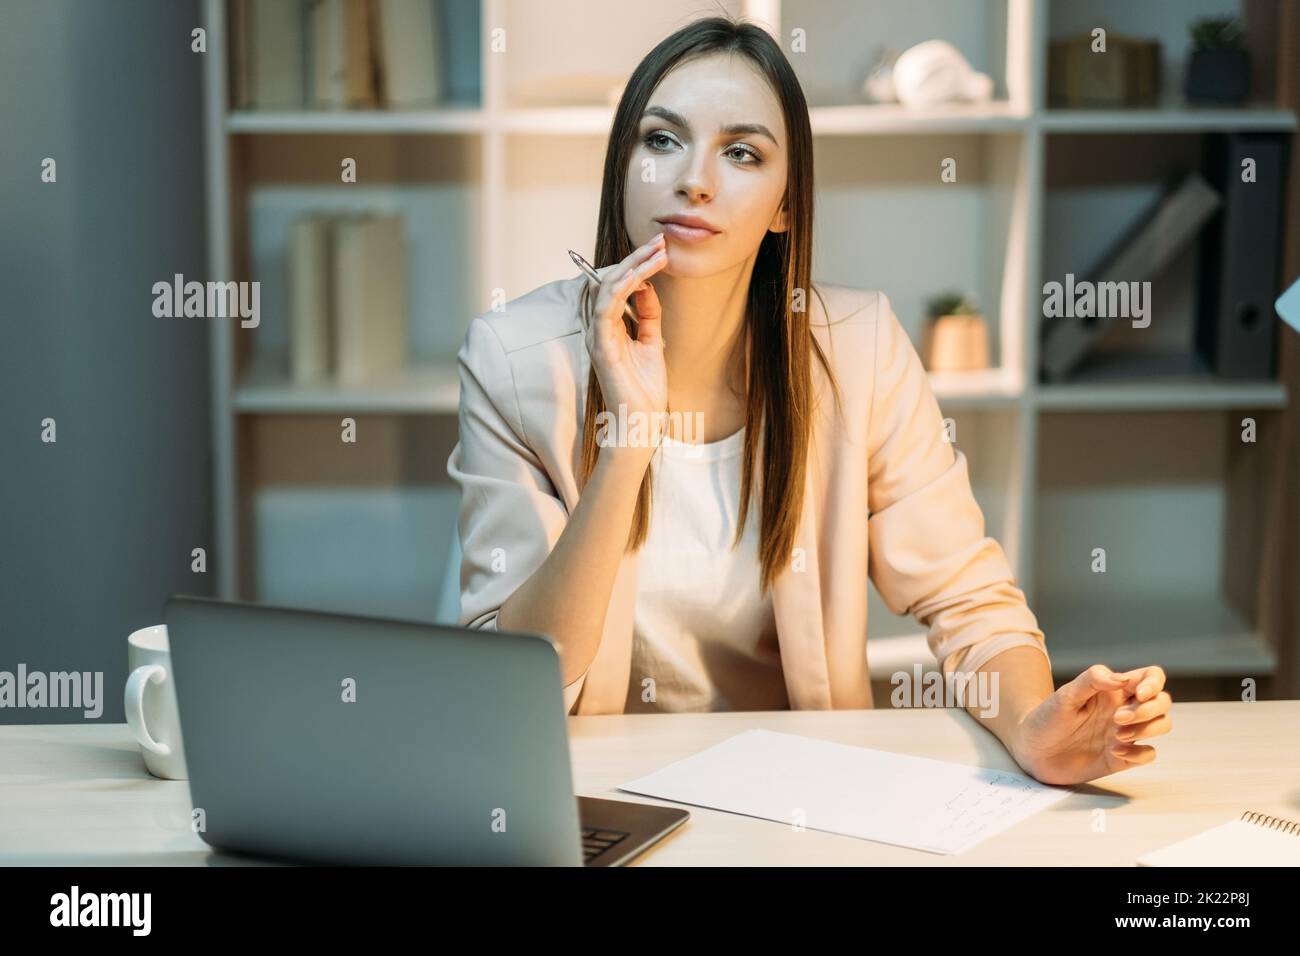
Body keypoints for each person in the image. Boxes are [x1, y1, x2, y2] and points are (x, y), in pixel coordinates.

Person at [447, 16, 1171, 785]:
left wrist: (1031, 726)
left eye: (741, 153)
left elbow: (969, 598)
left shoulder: (860, 348)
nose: (694, 178)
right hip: (593, 791)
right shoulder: (513, 358)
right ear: (622, 168)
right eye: (661, 141)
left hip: (798, 792)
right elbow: (515, 679)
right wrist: (628, 443)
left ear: (786, 204)